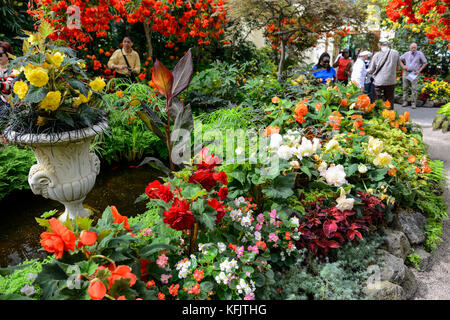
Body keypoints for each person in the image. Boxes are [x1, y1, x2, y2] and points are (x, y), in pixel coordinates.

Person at [367, 39, 401, 107]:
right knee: (390, 100)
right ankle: (389, 115)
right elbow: (398, 68)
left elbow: (371, 70)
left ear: (379, 45)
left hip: (378, 82)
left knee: (377, 100)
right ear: (388, 44)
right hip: (391, 81)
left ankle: (377, 114)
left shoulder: (376, 55)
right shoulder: (396, 53)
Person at [399, 43, 428, 109]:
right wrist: (403, 66)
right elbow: (399, 59)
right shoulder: (406, 54)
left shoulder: (420, 54)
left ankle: (413, 103)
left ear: (416, 48)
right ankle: (405, 101)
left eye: (414, 47)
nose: (413, 49)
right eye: (412, 47)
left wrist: (419, 70)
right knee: (405, 88)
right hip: (406, 73)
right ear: (410, 48)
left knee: (414, 88)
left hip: (414, 73)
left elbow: (425, 62)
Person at [0, 41, 15, 107]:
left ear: (8, 55)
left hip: (10, 104)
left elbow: (9, 85)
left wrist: (1, 85)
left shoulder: (14, 69)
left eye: (0, 55)